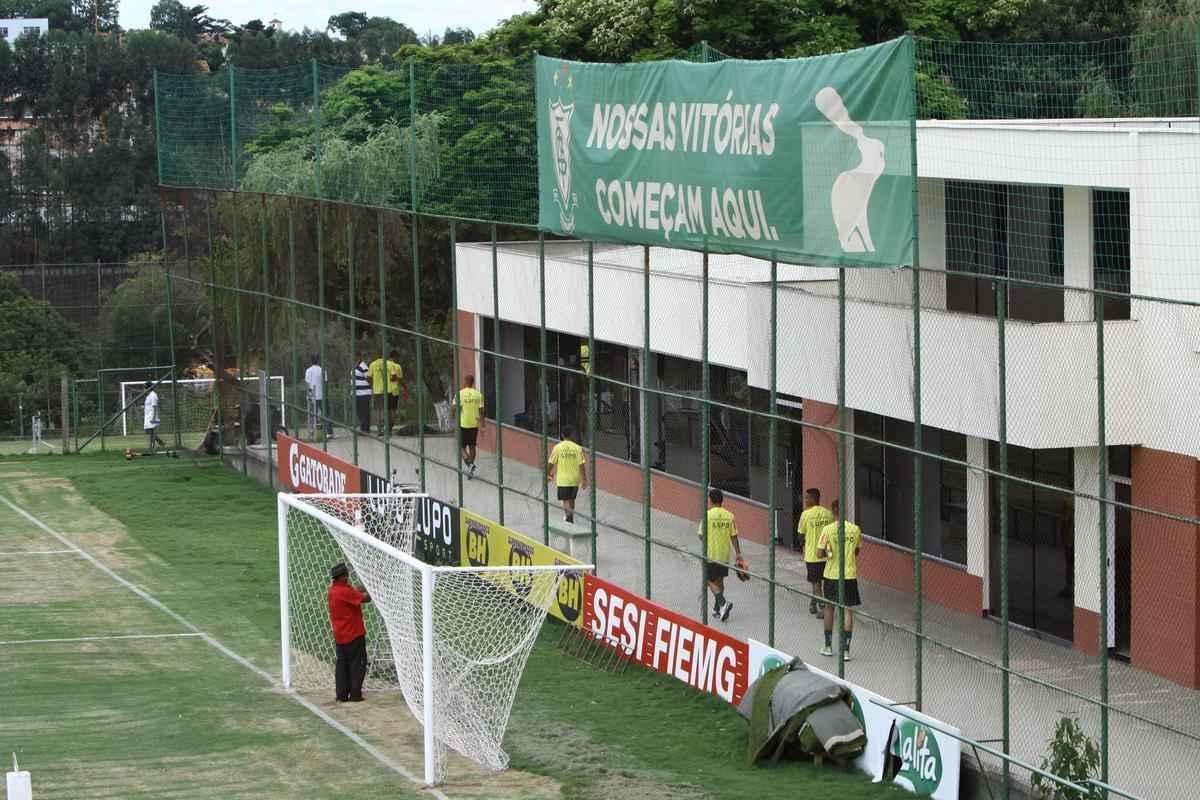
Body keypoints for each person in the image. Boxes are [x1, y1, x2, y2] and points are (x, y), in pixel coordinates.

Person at [817, 500, 862, 660]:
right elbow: (856, 551)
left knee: (829, 609)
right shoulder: (855, 529)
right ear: (845, 510)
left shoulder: (828, 530)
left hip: (831, 575)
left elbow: (819, 553)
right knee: (848, 611)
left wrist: (829, 553)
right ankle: (845, 651)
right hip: (849, 575)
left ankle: (828, 646)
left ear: (832, 511)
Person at [327, 562, 371, 702]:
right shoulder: (345, 592)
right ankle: (355, 695)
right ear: (343, 577)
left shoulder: (334, 589)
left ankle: (341, 694)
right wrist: (373, 590)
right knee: (357, 664)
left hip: (340, 635)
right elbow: (365, 598)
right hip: (353, 633)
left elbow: (355, 590)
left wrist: (366, 585)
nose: (348, 576)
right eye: (346, 574)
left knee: (342, 665)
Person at [699, 488, 742, 622]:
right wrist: (738, 553)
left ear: (710, 500)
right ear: (722, 500)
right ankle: (718, 610)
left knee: (708, 580)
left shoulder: (707, 515)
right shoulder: (730, 515)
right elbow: (734, 536)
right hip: (724, 554)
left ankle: (723, 603)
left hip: (711, 553)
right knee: (719, 581)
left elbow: (701, 534)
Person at [798, 488, 835, 616]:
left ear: (813, 499)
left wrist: (803, 548)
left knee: (816, 582)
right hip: (827, 555)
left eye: (807, 498)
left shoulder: (806, 514)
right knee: (821, 581)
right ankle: (813, 603)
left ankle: (823, 607)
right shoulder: (828, 514)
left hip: (813, 555)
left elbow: (801, 535)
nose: (805, 500)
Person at [547, 426, 586, 523]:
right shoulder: (578, 448)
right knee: (571, 499)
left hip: (563, 479)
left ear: (562, 435)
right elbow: (581, 464)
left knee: (565, 500)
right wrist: (584, 479)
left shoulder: (558, 447)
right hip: (574, 479)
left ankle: (568, 516)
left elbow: (551, 463)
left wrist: (547, 473)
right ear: (572, 435)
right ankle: (570, 516)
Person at [456, 374, 485, 479]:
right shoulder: (478, 394)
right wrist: (483, 425)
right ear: (472, 383)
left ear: (465, 381)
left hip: (464, 424)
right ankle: (470, 470)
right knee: (472, 446)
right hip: (474, 424)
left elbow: (454, 408)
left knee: (461, 447)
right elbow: (481, 411)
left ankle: (469, 464)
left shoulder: (460, 394)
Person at [304, 355, 333, 439]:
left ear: (311, 361)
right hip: (322, 395)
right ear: (318, 360)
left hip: (312, 396)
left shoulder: (308, 371)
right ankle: (329, 432)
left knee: (312, 414)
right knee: (326, 414)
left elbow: (307, 384)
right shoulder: (322, 370)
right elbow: (325, 383)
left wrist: (308, 395)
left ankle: (311, 431)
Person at [386, 350, 407, 434]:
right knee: (393, 410)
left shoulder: (384, 364)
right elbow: (397, 378)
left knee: (386, 410)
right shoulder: (397, 366)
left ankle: (386, 427)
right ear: (394, 357)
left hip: (384, 390)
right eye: (397, 357)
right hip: (394, 390)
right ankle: (390, 427)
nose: (398, 359)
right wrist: (404, 386)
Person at [142, 381, 166, 452]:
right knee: (148, 431)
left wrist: (153, 418)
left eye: (145, 388)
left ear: (148, 388)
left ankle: (152, 447)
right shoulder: (148, 395)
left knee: (151, 432)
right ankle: (161, 443)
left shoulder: (153, 395)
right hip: (148, 416)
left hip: (152, 416)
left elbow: (155, 407)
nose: (144, 389)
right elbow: (149, 405)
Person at [368, 353, 387, 434]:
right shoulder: (387, 363)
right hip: (386, 390)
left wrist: (373, 384)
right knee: (384, 409)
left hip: (376, 390)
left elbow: (368, 377)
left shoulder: (372, 364)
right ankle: (383, 427)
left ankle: (379, 428)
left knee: (377, 410)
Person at [352, 356, 371, 434]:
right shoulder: (355, 366)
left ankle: (365, 429)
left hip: (364, 393)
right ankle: (362, 427)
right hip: (356, 393)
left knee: (364, 411)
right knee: (359, 411)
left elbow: (368, 378)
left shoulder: (363, 366)